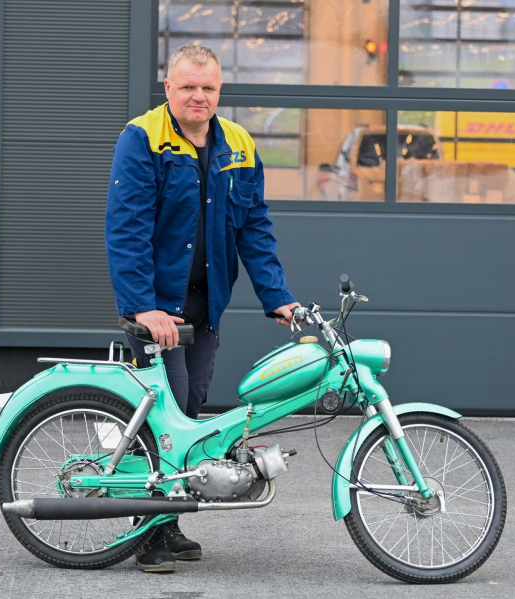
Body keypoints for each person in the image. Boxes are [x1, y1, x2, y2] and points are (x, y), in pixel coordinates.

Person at [104, 44, 299, 573]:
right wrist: (143, 308)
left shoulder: (238, 144)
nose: (199, 96)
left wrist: (277, 296)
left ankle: (166, 520)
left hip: (205, 307)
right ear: (168, 87)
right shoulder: (143, 138)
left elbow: (254, 227)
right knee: (162, 422)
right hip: (158, 311)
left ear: (219, 91)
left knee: (189, 416)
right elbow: (126, 229)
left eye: (208, 87)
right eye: (188, 86)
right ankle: (147, 533)